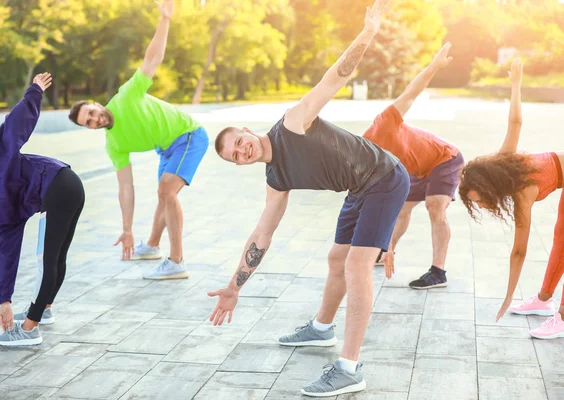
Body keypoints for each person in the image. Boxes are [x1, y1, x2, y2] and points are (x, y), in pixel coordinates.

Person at [208, 1, 409, 396]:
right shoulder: (275, 178)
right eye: (234, 155)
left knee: (356, 264)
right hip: (359, 188)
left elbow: (333, 78)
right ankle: (321, 329)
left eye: (239, 142)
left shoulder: (292, 123)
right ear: (237, 164)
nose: (241, 150)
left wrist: (367, 33)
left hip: (385, 177)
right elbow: (261, 236)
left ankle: (350, 368)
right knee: (337, 258)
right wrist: (234, 287)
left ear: (247, 131)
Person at [68, 0, 208, 280]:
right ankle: (152, 246)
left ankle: (177, 262)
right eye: (90, 122)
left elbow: (152, 59)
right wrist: (127, 229)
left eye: (92, 113)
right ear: (90, 128)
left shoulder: (126, 96)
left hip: (188, 135)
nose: (96, 119)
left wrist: (165, 19)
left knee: (167, 191)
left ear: (96, 104)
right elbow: (126, 188)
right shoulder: (114, 144)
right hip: (167, 148)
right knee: (163, 194)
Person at [0, 73, 85, 346]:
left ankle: (30, 329)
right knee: (56, 257)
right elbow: (7, 254)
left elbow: (11, 131)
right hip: (65, 187)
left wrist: (35, 92)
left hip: (59, 184)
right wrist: (4, 301)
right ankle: (43, 309)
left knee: (50, 260)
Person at [459, 58, 564, 340]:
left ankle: (563, 317)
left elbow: (519, 252)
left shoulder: (521, 194)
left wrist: (507, 296)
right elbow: (515, 122)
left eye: (479, 200)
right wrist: (515, 84)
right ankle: (544, 299)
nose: (481, 205)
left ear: (488, 186)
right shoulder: (504, 163)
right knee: (560, 240)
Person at [366, 43, 464, 289]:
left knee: (435, 207)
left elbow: (411, 92)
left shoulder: (384, 122)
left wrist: (434, 66)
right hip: (420, 169)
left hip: (445, 158)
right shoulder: (368, 161)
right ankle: (386, 252)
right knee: (400, 209)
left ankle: (438, 271)